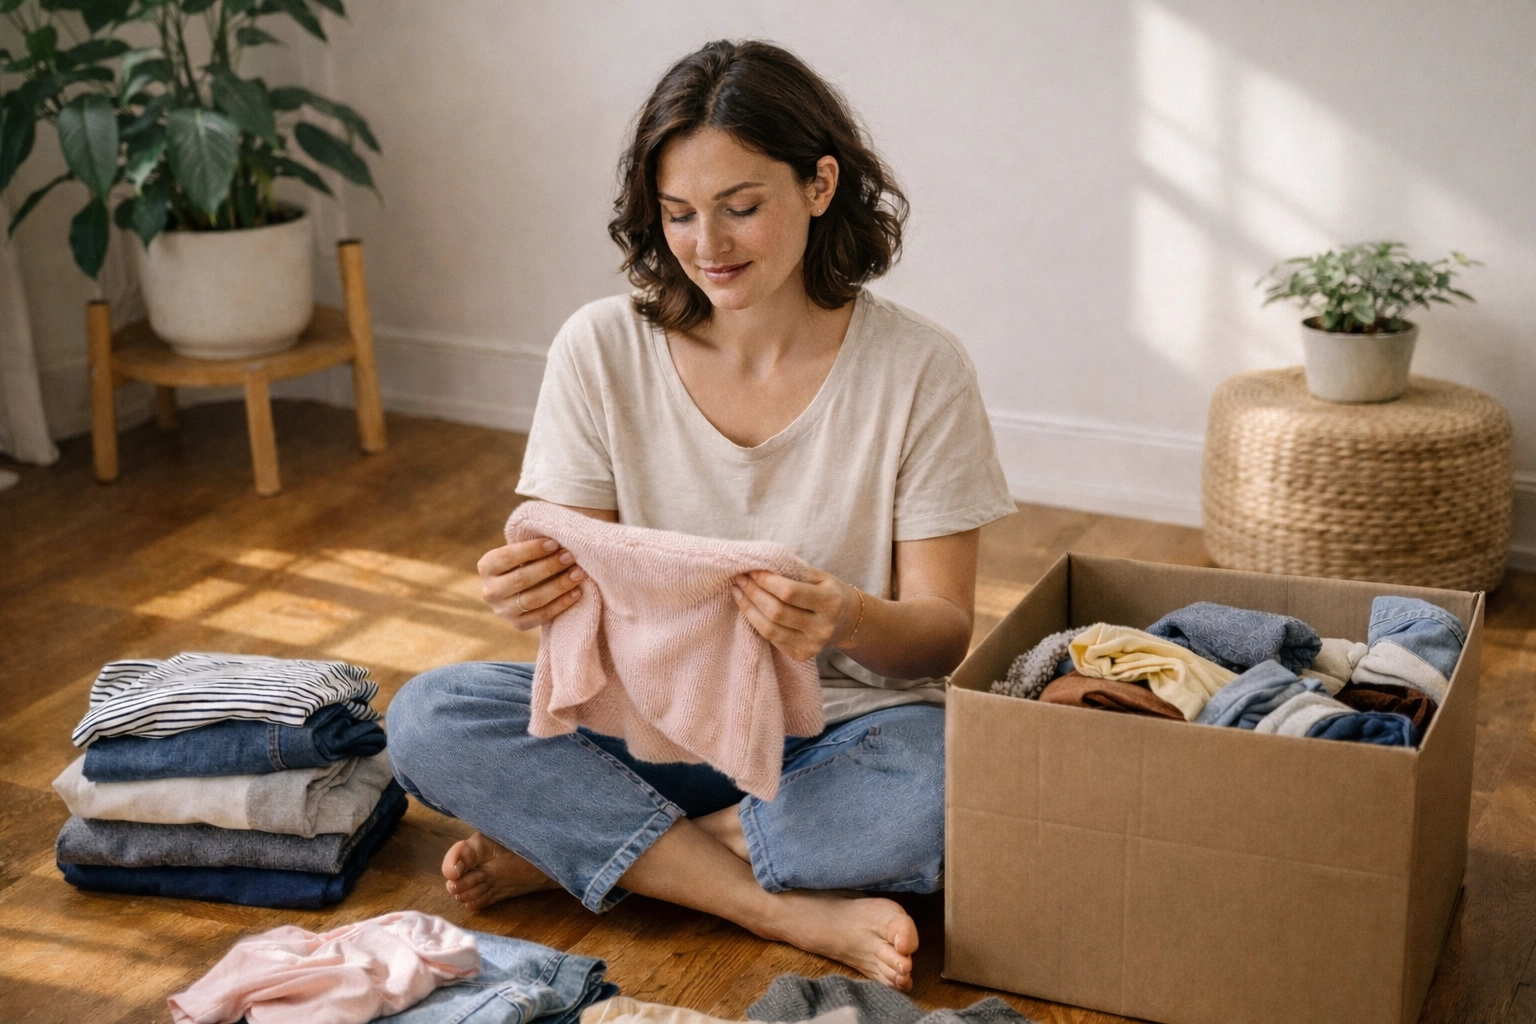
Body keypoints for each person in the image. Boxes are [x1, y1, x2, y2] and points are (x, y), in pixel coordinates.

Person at [387, 39, 1015, 991]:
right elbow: (575, 593)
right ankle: (768, 902)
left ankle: (591, 853)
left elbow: (939, 640)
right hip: (643, 726)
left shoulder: (921, 370)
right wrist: (530, 588)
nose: (708, 246)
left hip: (840, 737)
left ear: (819, 184)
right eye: (679, 215)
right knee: (428, 716)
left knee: (939, 792)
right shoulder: (600, 348)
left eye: (741, 207)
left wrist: (844, 616)